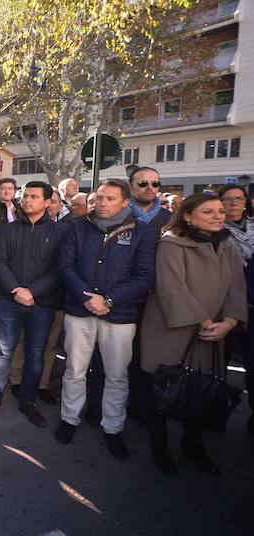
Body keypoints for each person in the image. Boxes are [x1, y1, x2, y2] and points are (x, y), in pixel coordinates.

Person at [141, 193, 246, 475]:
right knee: (165, 390)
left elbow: (237, 287)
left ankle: (193, 445)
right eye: (209, 211)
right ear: (188, 215)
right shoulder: (171, 243)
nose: (218, 216)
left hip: (215, 333)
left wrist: (231, 322)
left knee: (202, 391)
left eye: (220, 211)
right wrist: (203, 321)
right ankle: (160, 447)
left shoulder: (227, 244)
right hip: (172, 331)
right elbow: (171, 287)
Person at [55, 179, 156, 459]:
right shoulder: (79, 227)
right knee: (74, 369)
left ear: (125, 202)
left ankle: (112, 428)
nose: (102, 203)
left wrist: (109, 300)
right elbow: (65, 266)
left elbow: (145, 276)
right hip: (80, 310)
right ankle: (69, 418)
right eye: (99, 197)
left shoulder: (142, 232)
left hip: (119, 315)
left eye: (110, 198)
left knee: (117, 375)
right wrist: (85, 296)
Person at [0, 181, 66, 428]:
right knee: (3, 351)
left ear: (48, 202)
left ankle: (28, 400)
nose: (27, 200)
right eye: (25, 196)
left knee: (35, 353)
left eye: (33, 197)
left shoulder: (60, 233)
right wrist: (16, 289)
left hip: (42, 304)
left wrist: (33, 291)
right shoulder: (8, 230)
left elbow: (60, 268)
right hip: (9, 301)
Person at [219, 184, 254, 433]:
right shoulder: (214, 230)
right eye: (228, 199)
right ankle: (214, 410)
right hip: (222, 305)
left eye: (238, 199)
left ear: (245, 202)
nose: (233, 203)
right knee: (219, 363)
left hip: (252, 303)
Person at [128, 166, 171, 235]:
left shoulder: (170, 218)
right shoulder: (116, 215)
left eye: (155, 184)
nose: (150, 187)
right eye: (143, 183)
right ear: (131, 186)